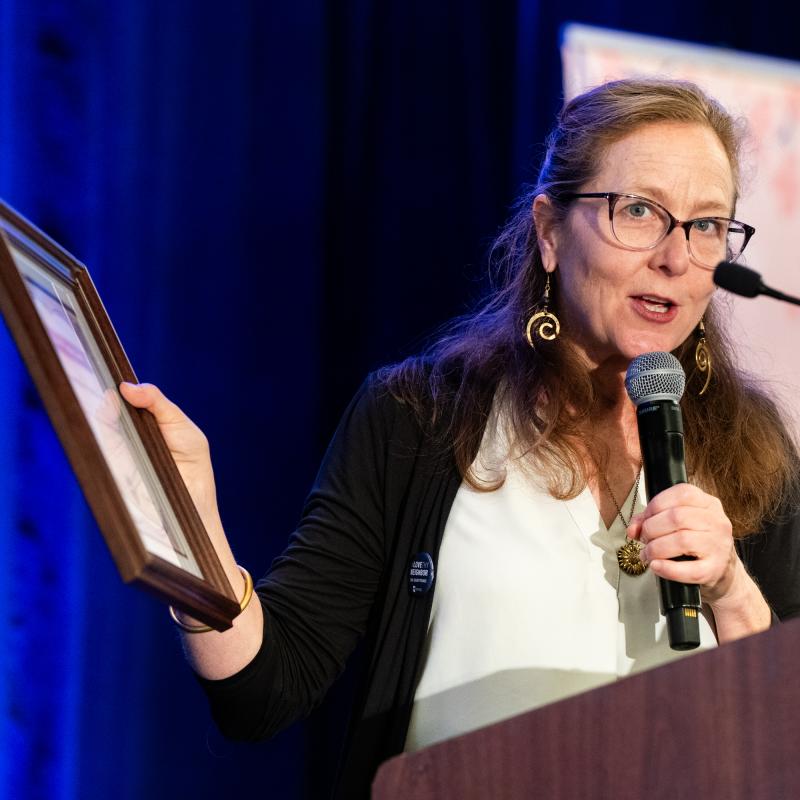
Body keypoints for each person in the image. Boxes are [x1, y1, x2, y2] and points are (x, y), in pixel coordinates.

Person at [120, 77, 800, 798]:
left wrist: (731, 592)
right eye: (638, 211)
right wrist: (189, 533)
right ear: (549, 230)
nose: (675, 257)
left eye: (705, 227)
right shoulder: (420, 418)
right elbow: (265, 692)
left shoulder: (751, 448)